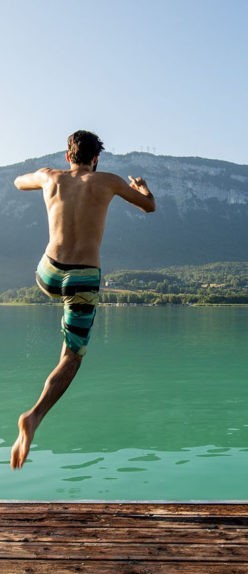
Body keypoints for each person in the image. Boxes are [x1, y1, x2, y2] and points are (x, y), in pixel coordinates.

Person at [11, 130, 156, 469]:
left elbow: (18, 182)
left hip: (48, 273)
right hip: (82, 278)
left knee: (54, 282)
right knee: (72, 356)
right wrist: (141, 187)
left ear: (67, 156)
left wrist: (38, 178)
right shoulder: (108, 181)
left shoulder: (51, 177)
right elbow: (150, 206)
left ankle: (57, 297)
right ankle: (33, 418)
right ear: (96, 159)